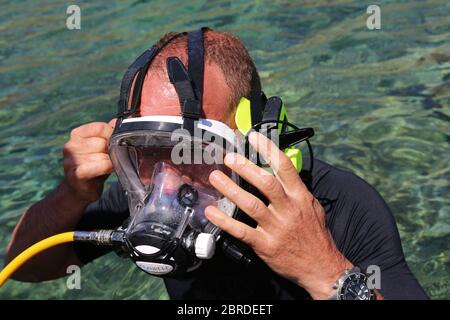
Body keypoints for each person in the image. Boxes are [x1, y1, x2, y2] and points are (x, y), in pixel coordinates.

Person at [5, 28, 428, 300]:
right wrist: (73, 194)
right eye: (149, 148)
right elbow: (27, 268)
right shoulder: (148, 190)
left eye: (198, 149)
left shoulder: (336, 208)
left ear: (253, 137)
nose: (171, 176)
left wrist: (327, 272)